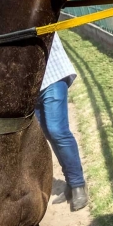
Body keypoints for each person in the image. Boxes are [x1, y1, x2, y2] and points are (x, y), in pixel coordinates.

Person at [36, 35, 87, 212]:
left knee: (57, 130)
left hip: (51, 75)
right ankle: (70, 183)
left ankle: (78, 185)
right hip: (30, 85)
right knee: (48, 134)